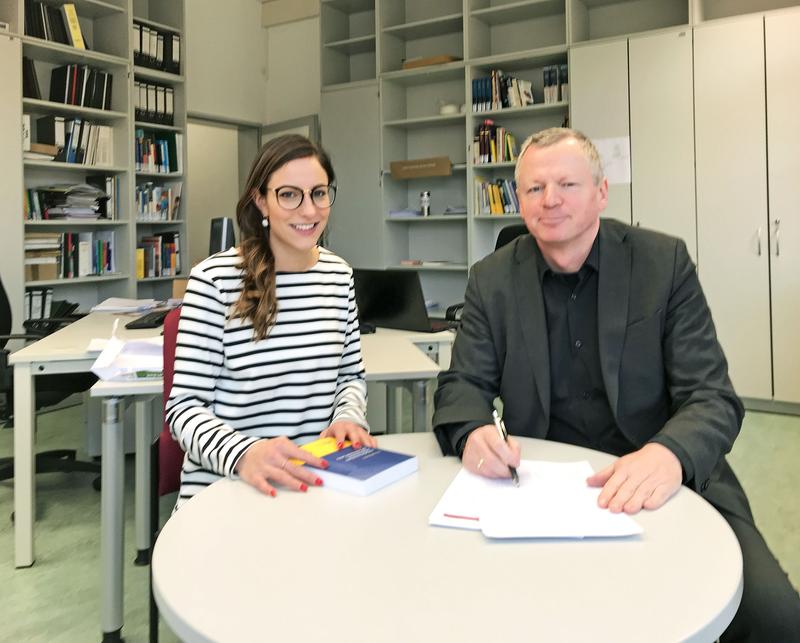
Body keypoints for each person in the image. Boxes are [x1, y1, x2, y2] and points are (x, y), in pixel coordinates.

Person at [432, 127, 800, 642]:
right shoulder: (491, 279)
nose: (550, 199)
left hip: (664, 480)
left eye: (567, 184)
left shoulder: (661, 263)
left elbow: (711, 396)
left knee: (775, 619)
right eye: (534, 188)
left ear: (601, 192)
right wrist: (472, 432)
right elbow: (461, 385)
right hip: (540, 491)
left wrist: (669, 453)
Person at [166, 134, 375, 510]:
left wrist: (348, 417)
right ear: (261, 200)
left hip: (311, 482)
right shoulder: (213, 280)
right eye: (289, 194)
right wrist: (246, 454)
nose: (309, 211)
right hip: (228, 489)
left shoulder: (338, 275)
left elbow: (350, 378)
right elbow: (184, 409)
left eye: (319, 193)